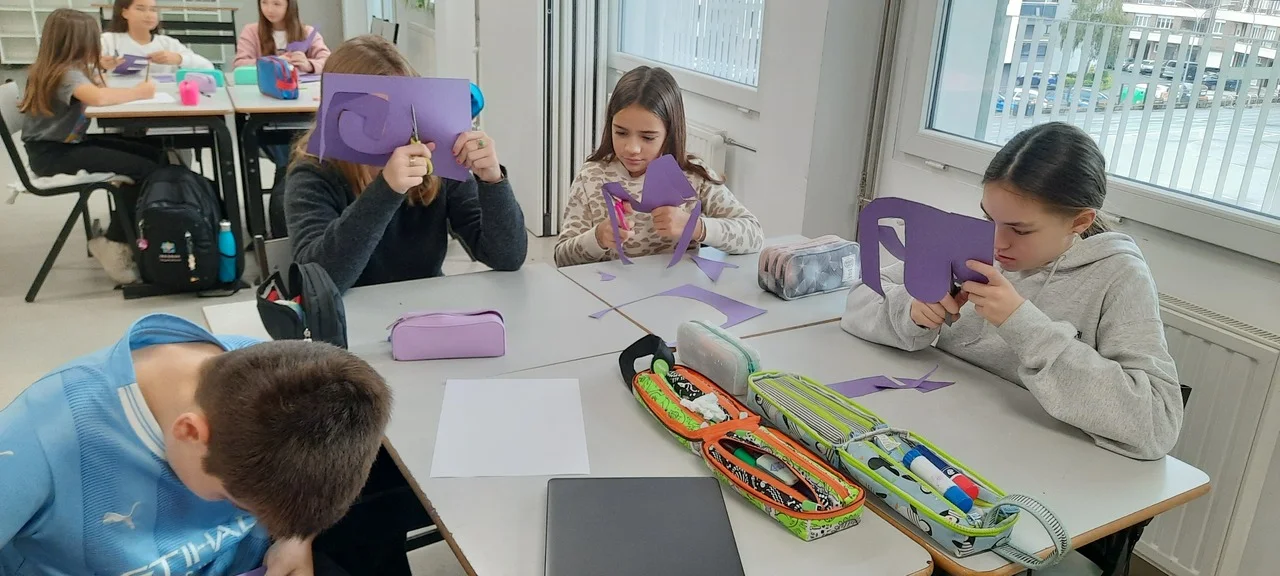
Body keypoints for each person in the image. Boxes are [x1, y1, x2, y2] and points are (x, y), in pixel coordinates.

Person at [841, 122, 1183, 460]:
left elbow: (1157, 424)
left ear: (1079, 222)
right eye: (989, 219)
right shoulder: (970, 241)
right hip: (939, 431)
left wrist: (1024, 325)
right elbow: (860, 299)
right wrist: (911, 311)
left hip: (1033, 460)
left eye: (1020, 230)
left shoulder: (1119, 276)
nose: (996, 242)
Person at [0, 313, 392, 575]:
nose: (248, 514)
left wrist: (294, 540)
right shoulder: (38, 436)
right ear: (190, 433)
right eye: (236, 502)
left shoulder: (270, 379)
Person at [286, 35, 527, 292]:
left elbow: (507, 257)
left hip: (425, 305)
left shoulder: (434, 159)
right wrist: (386, 190)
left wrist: (492, 179)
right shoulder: (313, 174)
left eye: (404, 109)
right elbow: (319, 281)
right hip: (349, 311)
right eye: (374, 113)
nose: (393, 126)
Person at [554, 65, 763, 267]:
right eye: (621, 132)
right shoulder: (591, 177)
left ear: (669, 134)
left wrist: (695, 227)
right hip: (605, 289)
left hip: (676, 289)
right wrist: (598, 237)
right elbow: (562, 257)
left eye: (647, 137)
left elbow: (754, 235)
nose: (632, 148)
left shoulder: (692, 175)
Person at [20, 8, 161, 285]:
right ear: (80, 43)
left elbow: (97, 88)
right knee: (144, 169)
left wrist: (99, 70)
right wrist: (139, 92)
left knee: (152, 153)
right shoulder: (65, 74)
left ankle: (136, 228)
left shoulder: (62, 68)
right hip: (52, 155)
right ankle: (114, 243)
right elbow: (99, 98)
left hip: (60, 146)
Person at [100, 0, 214, 76]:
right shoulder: (108, 41)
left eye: (153, 10)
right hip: (120, 99)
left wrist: (179, 59)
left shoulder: (168, 44)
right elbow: (89, 71)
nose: (149, 15)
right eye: (140, 9)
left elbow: (208, 68)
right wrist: (100, 65)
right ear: (125, 13)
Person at [233, 0, 331, 74]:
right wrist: (274, 62)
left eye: (277, 4)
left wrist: (310, 65)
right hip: (263, 90)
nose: (269, 9)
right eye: (264, 2)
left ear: (289, 5)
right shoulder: (251, 31)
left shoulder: (308, 32)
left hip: (301, 89)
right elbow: (239, 64)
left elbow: (329, 62)